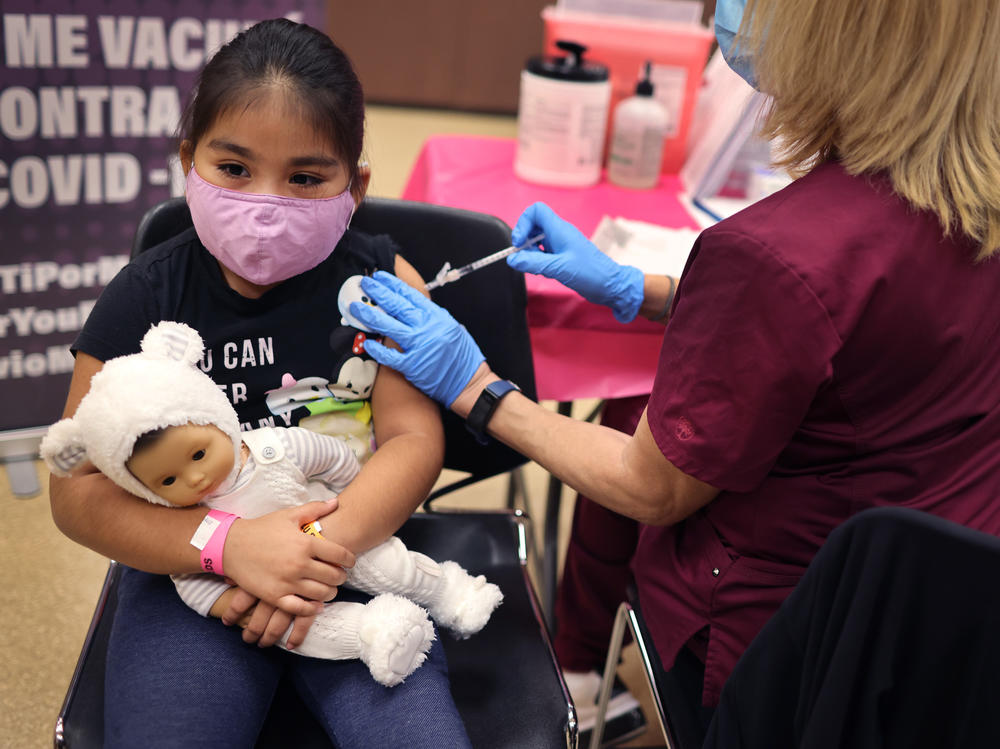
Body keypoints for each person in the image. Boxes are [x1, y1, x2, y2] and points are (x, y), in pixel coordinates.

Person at [348, 0, 1000, 740]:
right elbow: (860, 323)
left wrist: (478, 386)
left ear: (837, 39)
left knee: (631, 415)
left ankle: (586, 668)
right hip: (947, 626)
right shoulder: (968, 192)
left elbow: (648, 485)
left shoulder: (776, 253)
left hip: (786, 648)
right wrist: (646, 290)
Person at [48, 19, 474, 747]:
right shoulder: (144, 293)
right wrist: (229, 547)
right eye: (235, 169)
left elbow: (412, 438)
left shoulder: (380, 284)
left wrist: (307, 552)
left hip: (353, 558)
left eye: (306, 178)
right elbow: (75, 493)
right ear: (188, 162)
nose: (267, 203)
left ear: (356, 185)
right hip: (187, 570)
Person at [42, 321, 502, 687]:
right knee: (307, 633)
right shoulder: (182, 528)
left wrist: (348, 506)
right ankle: (375, 635)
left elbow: (332, 458)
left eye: (199, 454)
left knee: (388, 564)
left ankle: (449, 593)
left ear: (216, 417)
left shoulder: (272, 448)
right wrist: (240, 603)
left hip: (331, 533)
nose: (195, 477)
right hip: (268, 599)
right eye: (167, 480)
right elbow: (197, 587)